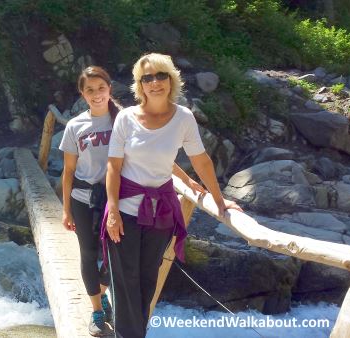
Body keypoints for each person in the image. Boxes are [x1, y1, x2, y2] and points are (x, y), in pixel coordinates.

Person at [102, 53, 242, 338]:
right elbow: (113, 167)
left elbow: (201, 160)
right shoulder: (127, 119)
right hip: (125, 208)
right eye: (147, 78)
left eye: (160, 76)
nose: (155, 83)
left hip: (160, 210)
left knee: (147, 278)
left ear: (171, 79)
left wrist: (219, 200)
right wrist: (113, 210)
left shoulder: (183, 118)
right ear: (139, 85)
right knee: (125, 280)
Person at [60, 65, 204, 337]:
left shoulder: (123, 118)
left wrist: (186, 180)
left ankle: (105, 292)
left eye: (101, 88)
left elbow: (154, 155)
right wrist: (66, 209)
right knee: (90, 254)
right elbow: (68, 171)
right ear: (82, 94)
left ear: (109, 89)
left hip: (119, 195)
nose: (96, 94)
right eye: (89, 90)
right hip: (84, 196)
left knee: (113, 259)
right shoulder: (75, 126)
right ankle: (97, 310)